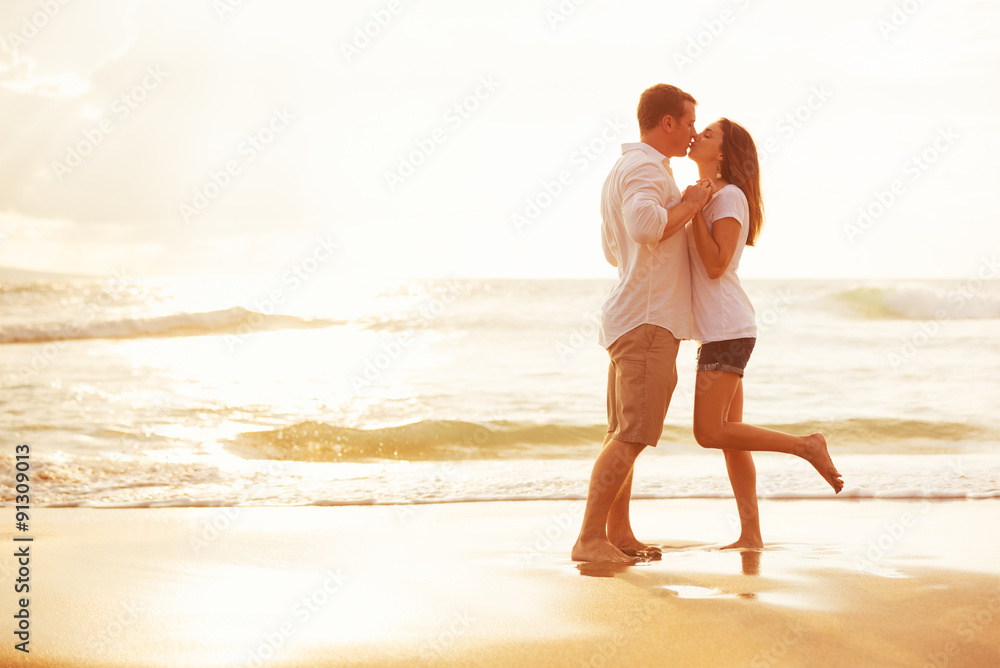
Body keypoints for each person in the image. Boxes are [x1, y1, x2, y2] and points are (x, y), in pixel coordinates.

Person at [685, 118, 844, 549]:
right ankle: (751, 535)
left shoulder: (729, 197)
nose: (697, 135)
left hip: (727, 329)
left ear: (722, 153)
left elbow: (717, 265)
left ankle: (805, 446)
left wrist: (694, 210)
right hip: (719, 330)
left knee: (708, 432)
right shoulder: (711, 195)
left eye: (709, 134)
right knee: (731, 440)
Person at [572, 84, 714, 563]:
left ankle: (618, 534)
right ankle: (590, 539)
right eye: (690, 121)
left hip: (632, 316)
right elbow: (643, 226)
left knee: (623, 433)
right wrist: (692, 204)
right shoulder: (645, 167)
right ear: (667, 122)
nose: (695, 130)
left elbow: (614, 250)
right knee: (632, 436)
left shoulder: (627, 168)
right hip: (648, 322)